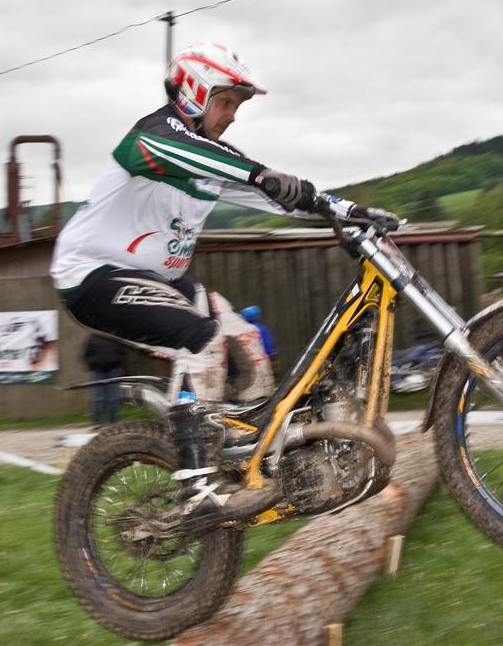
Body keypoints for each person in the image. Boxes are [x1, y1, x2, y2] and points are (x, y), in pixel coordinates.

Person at [50, 43, 397, 516]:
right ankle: (197, 484)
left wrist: (352, 211)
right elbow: (219, 164)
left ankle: (256, 459)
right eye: (226, 102)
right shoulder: (150, 137)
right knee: (203, 341)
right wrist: (259, 174)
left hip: (159, 280)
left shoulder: (213, 159)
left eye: (237, 106)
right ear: (194, 92)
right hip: (91, 275)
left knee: (246, 340)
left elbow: (282, 197)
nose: (232, 115)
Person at [82, 334, 127, 427]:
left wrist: (119, 364)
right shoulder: (92, 337)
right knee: (98, 398)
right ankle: (97, 423)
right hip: (98, 371)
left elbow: (123, 352)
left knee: (113, 398)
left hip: (113, 370)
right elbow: (86, 355)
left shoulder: (114, 336)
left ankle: (113, 423)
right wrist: (93, 365)